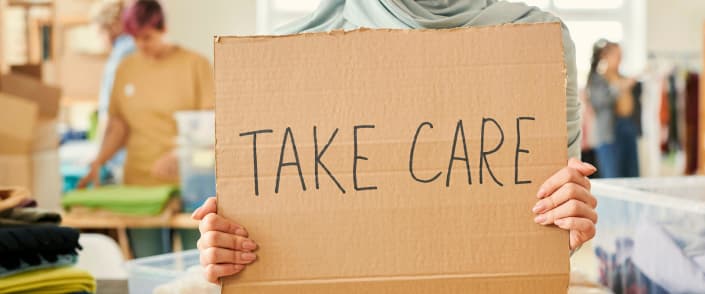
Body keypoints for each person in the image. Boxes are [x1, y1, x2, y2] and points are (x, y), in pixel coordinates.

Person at [190, 0, 599, 283]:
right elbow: (256, 248)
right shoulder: (284, 57)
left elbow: (547, 229)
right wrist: (227, 248)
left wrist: (566, 218)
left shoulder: (534, 41)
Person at [78, 0, 215, 257]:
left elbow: (209, 122)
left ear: (165, 28)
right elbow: (119, 125)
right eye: (136, 38)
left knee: (195, 265)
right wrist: (99, 160)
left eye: (148, 37)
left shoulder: (196, 64)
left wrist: (178, 155)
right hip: (140, 185)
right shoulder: (126, 68)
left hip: (189, 185)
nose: (142, 45)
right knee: (147, 263)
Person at [92, 0, 136, 183]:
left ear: (110, 27)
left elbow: (111, 114)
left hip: (122, 156)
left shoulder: (121, 55)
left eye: (99, 33)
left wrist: (98, 157)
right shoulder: (138, 48)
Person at [587, 39, 640, 178]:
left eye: (621, 55)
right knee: (613, 177)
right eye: (617, 55)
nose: (620, 59)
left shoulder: (623, 77)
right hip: (609, 134)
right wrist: (620, 87)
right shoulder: (597, 79)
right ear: (605, 56)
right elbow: (599, 102)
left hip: (628, 129)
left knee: (632, 176)